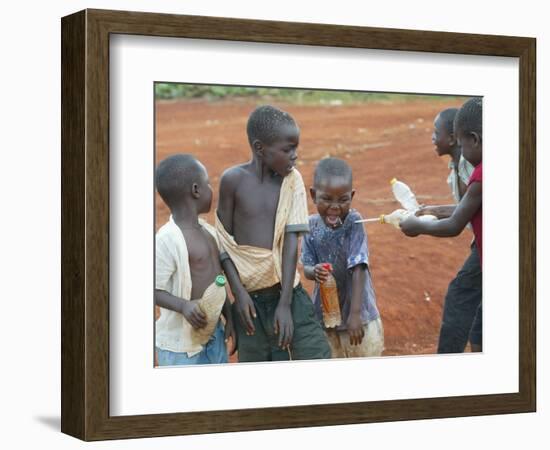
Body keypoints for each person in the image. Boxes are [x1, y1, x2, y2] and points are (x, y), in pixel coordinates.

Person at [216, 105, 331, 362]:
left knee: (316, 357)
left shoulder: (292, 181)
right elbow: (223, 245)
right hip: (249, 303)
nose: (295, 156)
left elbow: (291, 244)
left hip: (288, 294)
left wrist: (285, 304)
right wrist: (238, 294)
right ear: (260, 148)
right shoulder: (232, 181)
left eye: (296, 148)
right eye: (287, 149)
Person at [400, 98, 483, 352]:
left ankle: (449, 361)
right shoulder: (462, 165)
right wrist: (433, 211)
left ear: (459, 138)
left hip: (484, 249)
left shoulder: (476, 169)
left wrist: (418, 226)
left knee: (461, 296)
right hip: (482, 248)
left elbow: (457, 222)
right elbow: (470, 207)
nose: (433, 138)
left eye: (437, 133)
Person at [154, 154, 236, 365]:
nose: (211, 189)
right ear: (196, 190)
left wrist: (229, 315)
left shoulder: (209, 233)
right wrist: (183, 306)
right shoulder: (167, 239)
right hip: (180, 347)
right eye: (208, 183)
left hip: (213, 335)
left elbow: (218, 282)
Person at [301, 158, 384, 358]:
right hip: (326, 317)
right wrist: (315, 271)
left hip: (360, 317)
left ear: (352, 196)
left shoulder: (354, 222)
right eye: (327, 199)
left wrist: (354, 315)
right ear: (313, 195)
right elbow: (307, 268)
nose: (335, 207)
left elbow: (359, 268)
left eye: (343, 200)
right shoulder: (310, 226)